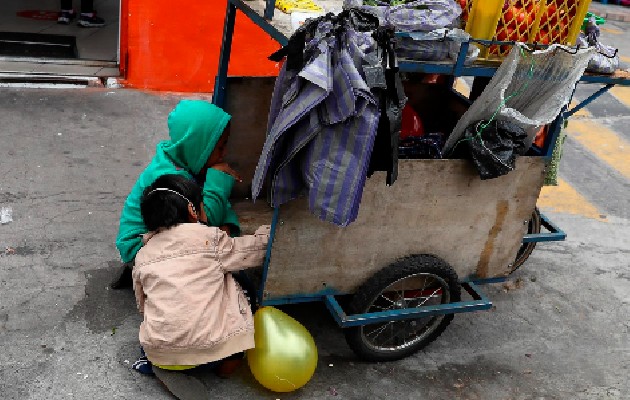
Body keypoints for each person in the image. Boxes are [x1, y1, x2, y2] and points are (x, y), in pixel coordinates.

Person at [131, 174, 270, 377]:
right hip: (214, 353)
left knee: (156, 329)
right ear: (192, 210)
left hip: (162, 354)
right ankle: (226, 368)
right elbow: (252, 252)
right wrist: (271, 231)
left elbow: (142, 305)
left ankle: (158, 365)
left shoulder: (143, 255)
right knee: (235, 279)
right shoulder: (209, 239)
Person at [112, 100, 242, 289]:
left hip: (158, 235)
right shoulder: (169, 176)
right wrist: (219, 177)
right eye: (220, 148)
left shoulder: (182, 159)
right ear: (198, 146)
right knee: (214, 240)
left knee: (219, 233)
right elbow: (207, 220)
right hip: (140, 247)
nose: (225, 153)